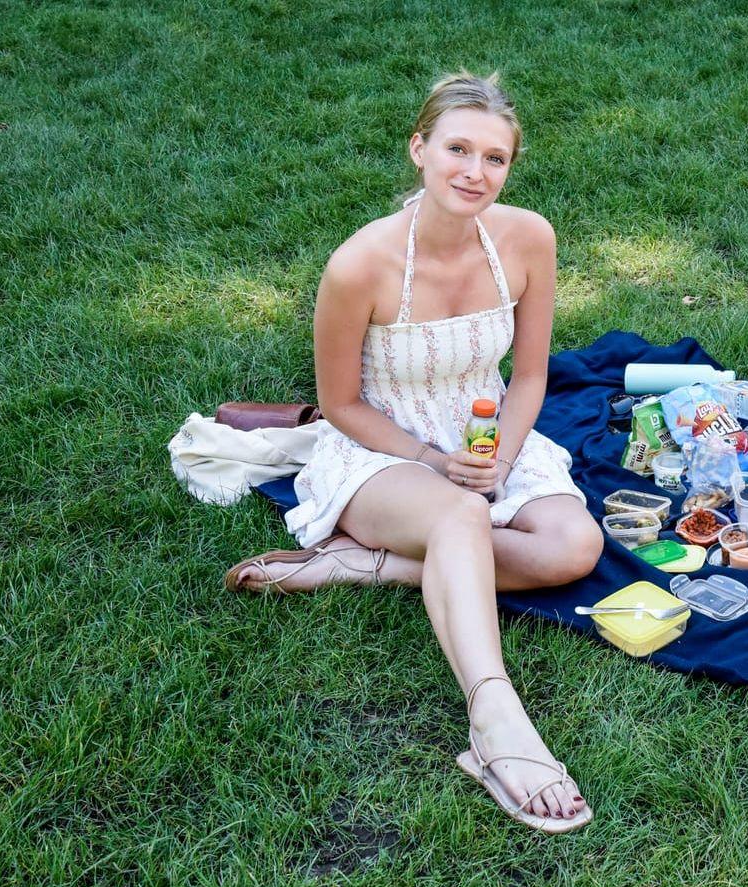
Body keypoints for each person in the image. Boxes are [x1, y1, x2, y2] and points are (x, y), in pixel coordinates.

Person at [224, 72, 602, 832]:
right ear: (419, 149)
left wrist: (501, 455)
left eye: (495, 159)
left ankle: (374, 565)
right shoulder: (359, 265)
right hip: (383, 447)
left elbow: (529, 375)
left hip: (486, 429)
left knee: (576, 546)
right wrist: (435, 464)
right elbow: (341, 404)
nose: (475, 172)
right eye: (457, 149)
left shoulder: (529, 238)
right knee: (461, 514)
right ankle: (496, 723)